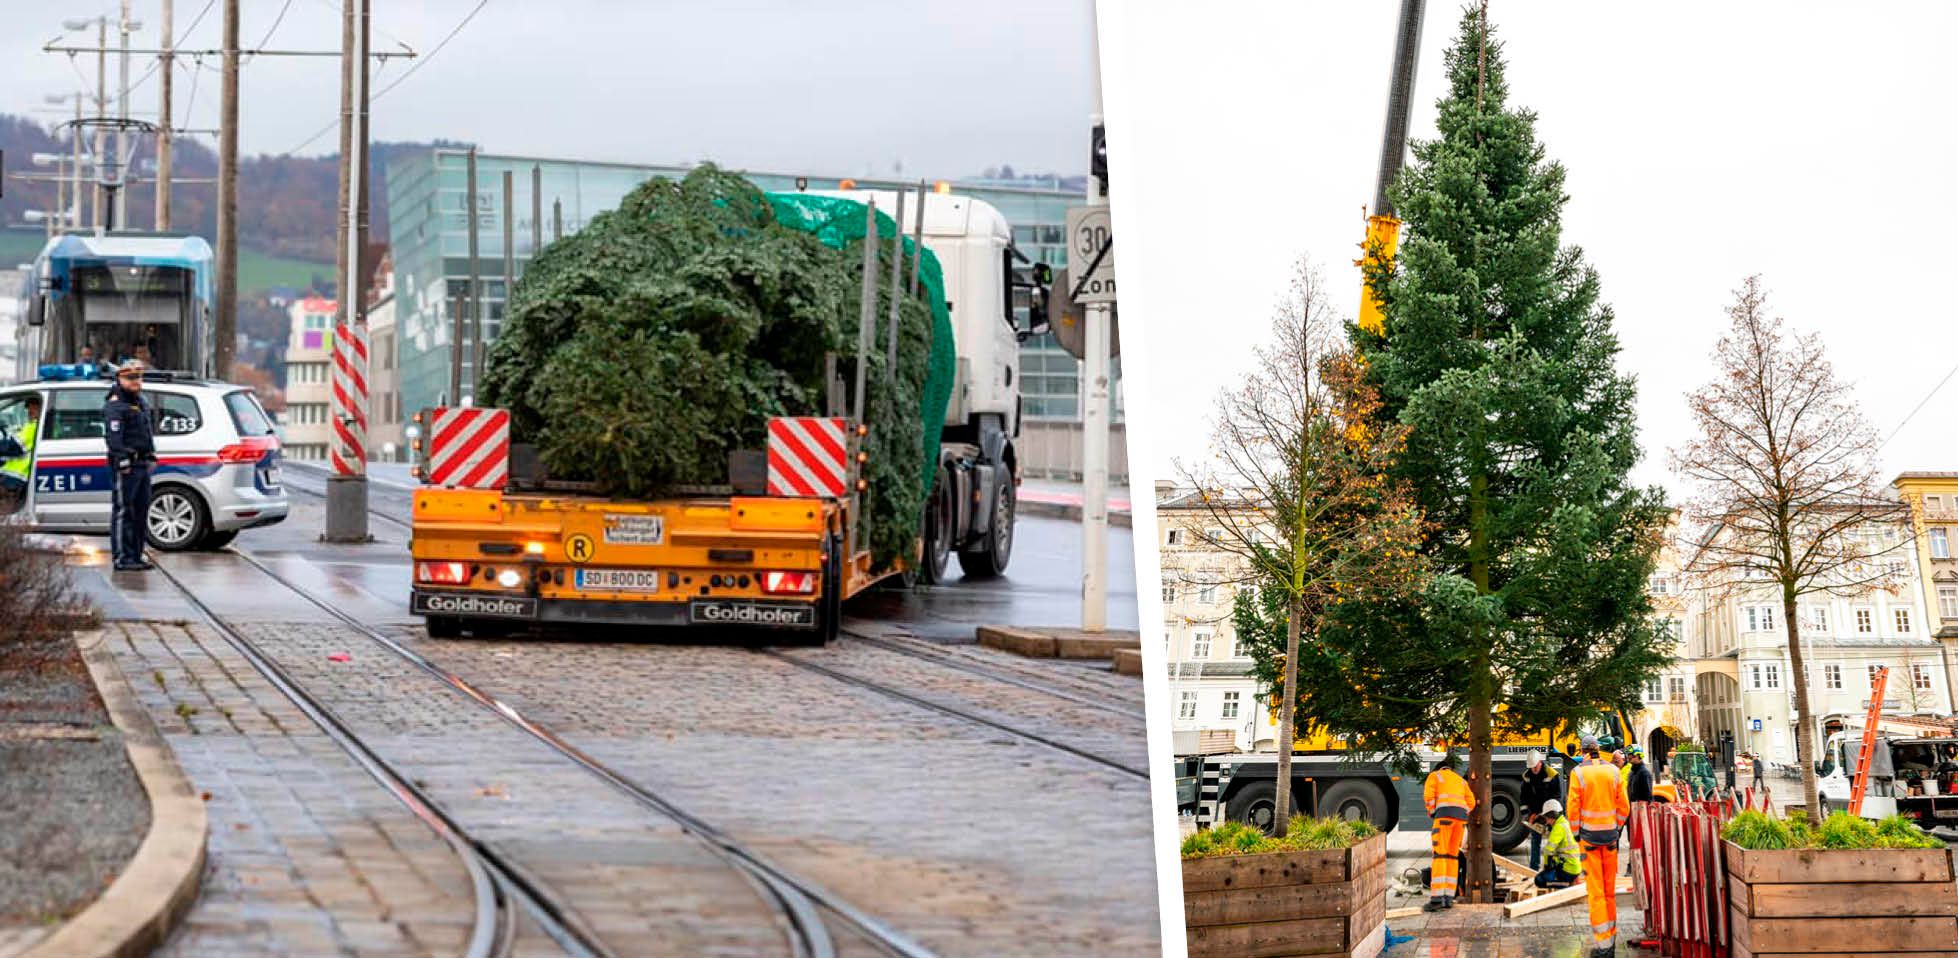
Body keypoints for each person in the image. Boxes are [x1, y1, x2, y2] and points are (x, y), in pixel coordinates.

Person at [1569, 733, 1629, 958]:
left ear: (1583, 751)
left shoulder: (1578, 773)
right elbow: (1624, 807)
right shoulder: (1613, 771)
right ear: (1598, 748)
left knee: (1596, 894)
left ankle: (1604, 946)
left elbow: (1573, 808)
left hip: (1589, 841)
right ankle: (1610, 942)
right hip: (1610, 840)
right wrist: (1616, 828)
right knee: (1609, 892)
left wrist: (1576, 834)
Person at [104, 360, 156, 571]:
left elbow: (145, 432)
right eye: (131, 378)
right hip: (127, 465)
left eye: (139, 377)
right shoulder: (116, 405)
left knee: (141, 511)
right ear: (120, 379)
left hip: (141, 463)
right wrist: (122, 460)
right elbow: (114, 438)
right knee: (124, 511)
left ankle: (135, 555)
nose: (136, 381)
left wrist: (151, 454)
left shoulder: (140, 401)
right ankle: (122, 557)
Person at [1422, 755, 1475, 912]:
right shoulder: (1460, 780)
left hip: (1443, 818)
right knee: (1452, 857)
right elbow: (1471, 802)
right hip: (1460, 821)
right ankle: (1448, 898)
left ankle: (1437, 899)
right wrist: (1462, 812)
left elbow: (1428, 796)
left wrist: (1432, 811)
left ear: (1438, 768)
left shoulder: (1435, 776)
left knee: (1440, 856)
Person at [1521, 749, 1562, 870]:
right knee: (1535, 841)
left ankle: (1554, 867)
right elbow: (1524, 797)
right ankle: (1533, 869)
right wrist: (1527, 814)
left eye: (1535, 767)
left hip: (1551, 813)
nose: (1533, 770)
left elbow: (1557, 796)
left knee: (1554, 841)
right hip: (1536, 812)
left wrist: (1548, 815)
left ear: (1540, 762)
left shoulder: (1551, 774)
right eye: (1531, 767)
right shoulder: (1527, 776)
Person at [0, 396, 41, 511]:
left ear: (41, 408)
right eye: (28, 407)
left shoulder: (34, 427)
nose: (29, 410)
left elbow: (13, 447)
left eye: (34, 407)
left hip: (14, 479)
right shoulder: (32, 426)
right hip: (12, 476)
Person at [1533, 798, 1583, 889]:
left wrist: (1547, 866)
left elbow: (1548, 851)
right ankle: (1569, 880)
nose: (1547, 821)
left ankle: (1567, 884)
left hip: (1567, 869)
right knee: (1546, 875)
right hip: (1572, 867)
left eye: (1547, 818)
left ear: (1552, 815)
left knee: (1539, 880)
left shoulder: (1558, 828)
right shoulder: (1564, 823)